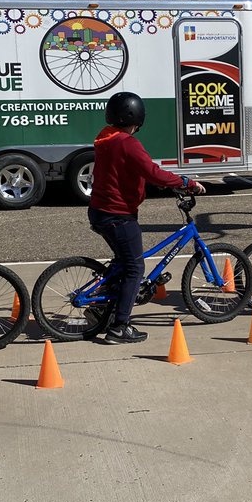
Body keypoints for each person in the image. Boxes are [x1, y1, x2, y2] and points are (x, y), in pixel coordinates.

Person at [90, 91, 204, 345]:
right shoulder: (127, 143)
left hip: (100, 211)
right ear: (137, 117)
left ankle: (101, 308)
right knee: (135, 267)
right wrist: (186, 182)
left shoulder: (105, 138)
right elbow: (153, 172)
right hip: (118, 214)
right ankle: (120, 328)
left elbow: (130, 172)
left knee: (124, 261)